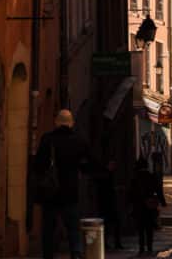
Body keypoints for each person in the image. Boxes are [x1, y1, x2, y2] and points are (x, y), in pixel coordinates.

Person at [34, 109, 90, 259]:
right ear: (71, 123)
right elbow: (86, 165)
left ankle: (48, 255)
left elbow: (38, 165)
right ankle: (76, 253)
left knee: (49, 228)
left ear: (56, 122)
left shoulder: (47, 139)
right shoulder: (79, 140)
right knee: (72, 227)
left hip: (50, 192)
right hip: (70, 191)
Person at [131, 156, 164, 256]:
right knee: (149, 228)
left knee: (140, 228)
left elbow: (131, 192)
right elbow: (158, 189)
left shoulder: (135, 177)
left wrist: (128, 203)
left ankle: (141, 248)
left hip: (139, 206)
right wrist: (162, 201)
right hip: (150, 206)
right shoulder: (151, 176)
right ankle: (149, 248)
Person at [97, 159, 124, 251]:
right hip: (107, 204)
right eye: (112, 164)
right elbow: (106, 190)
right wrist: (116, 189)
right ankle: (110, 243)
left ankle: (113, 243)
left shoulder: (108, 174)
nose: (114, 166)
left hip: (108, 204)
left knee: (112, 224)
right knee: (110, 224)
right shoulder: (106, 175)